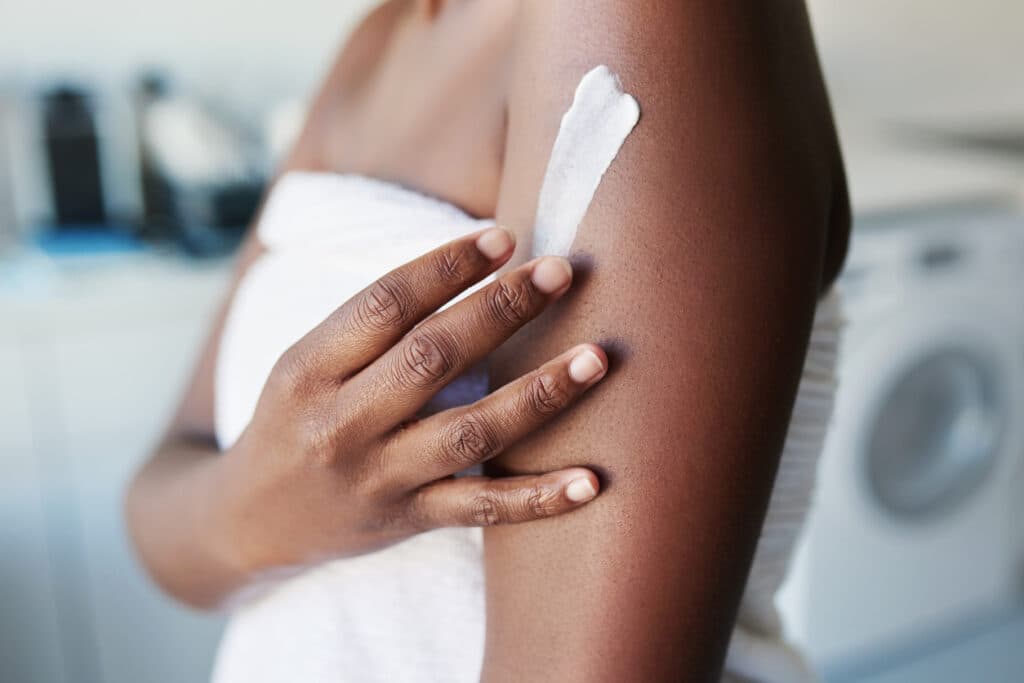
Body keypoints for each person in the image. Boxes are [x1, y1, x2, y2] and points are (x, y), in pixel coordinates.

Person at [125, 1, 850, 681]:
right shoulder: (383, 37)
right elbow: (155, 519)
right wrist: (273, 501)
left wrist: (234, 523)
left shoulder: (637, 19)